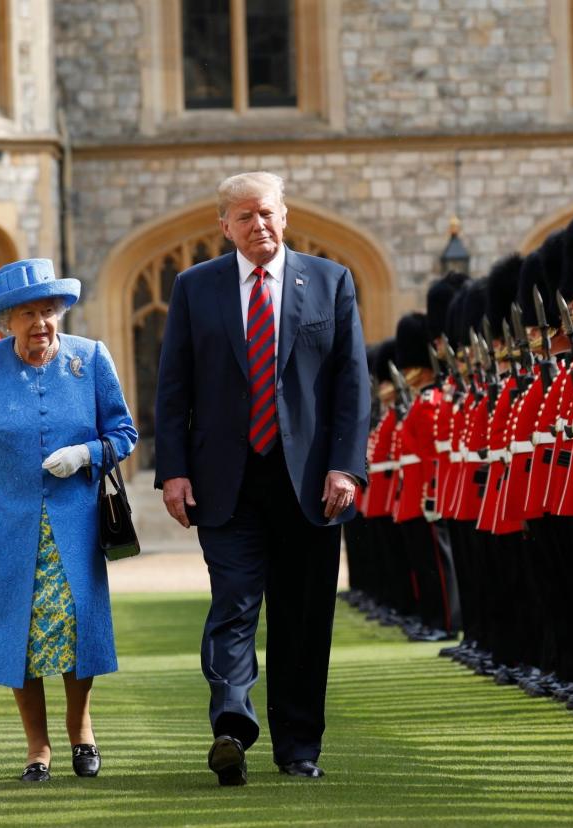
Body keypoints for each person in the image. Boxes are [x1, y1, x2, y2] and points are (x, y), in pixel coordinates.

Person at [155, 171, 370, 785]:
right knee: (233, 607)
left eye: (268, 213)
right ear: (224, 226)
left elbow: (352, 386)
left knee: (303, 619)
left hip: (310, 485)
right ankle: (231, 726)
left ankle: (298, 748)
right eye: (245, 217)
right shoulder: (195, 288)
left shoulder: (331, 282)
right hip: (227, 482)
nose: (260, 226)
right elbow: (174, 388)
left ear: (286, 214)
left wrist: (347, 466)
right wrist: (172, 472)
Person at [0, 258, 137, 782]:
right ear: (7, 321)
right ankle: (37, 748)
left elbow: (124, 433)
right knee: (19, 636)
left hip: (75, 526)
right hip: (7, 530)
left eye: (48, 311)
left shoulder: (90, 358)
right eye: (27, 313)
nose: (41, 324)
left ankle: (82, 731)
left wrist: (86, 454)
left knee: (76, 631)